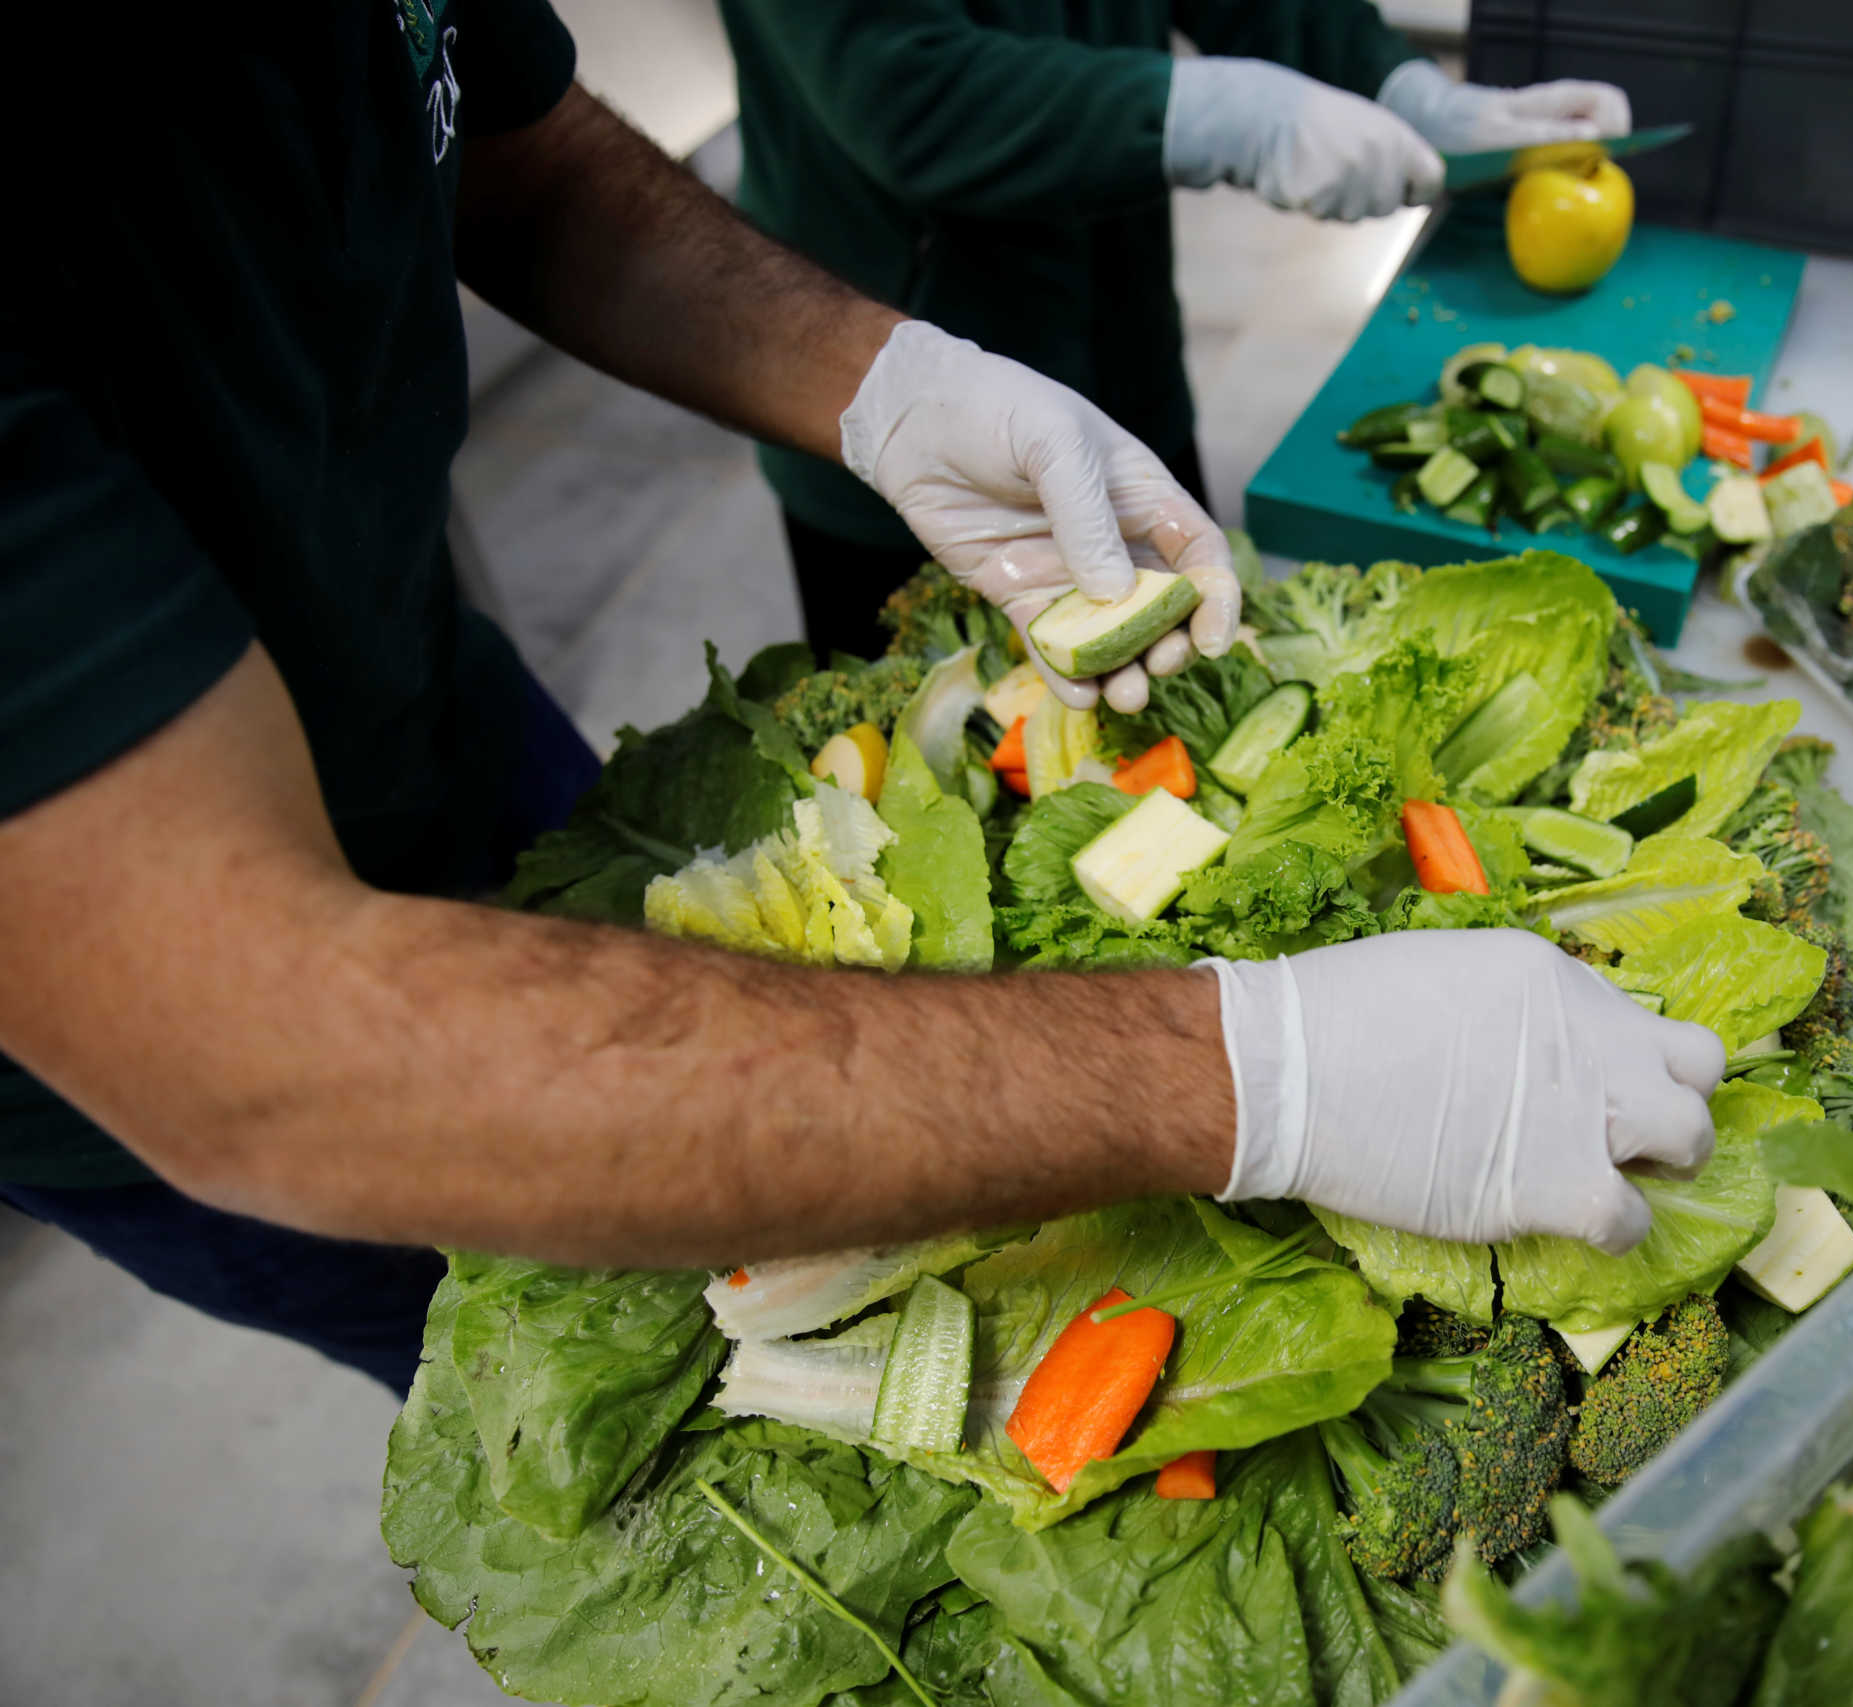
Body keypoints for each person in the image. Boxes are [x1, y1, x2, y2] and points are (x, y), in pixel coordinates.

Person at [0, 2, 1715, 1397]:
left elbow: (515, 154)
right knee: (642, 1380)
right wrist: (1256, 1069)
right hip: (181, 1032)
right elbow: (262, 1046)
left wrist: (880, 378)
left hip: (426, 701)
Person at [715, 0, 1632, 656]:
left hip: (1117, 342)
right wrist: (1206, 114)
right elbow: (899, 88)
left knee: (1191, 667)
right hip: (900, 383)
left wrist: (1395, 81)